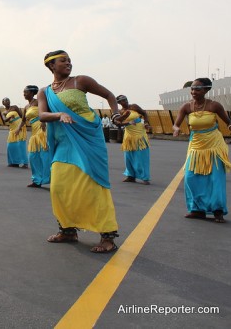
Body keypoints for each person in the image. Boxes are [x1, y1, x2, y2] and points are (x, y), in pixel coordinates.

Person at [38, 50, 121, 253]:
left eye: (69, 60)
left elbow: (109, 95)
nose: (68, 63)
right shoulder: (44, 91)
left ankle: (107, 236)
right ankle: (67, 230)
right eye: (63, 61)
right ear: (51, 66)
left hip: (88, 138)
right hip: (64, 142)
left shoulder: (80, 81)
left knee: (92, 187)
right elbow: (42, 115)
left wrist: (116, 114)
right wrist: (59, 114)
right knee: (58, 187)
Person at [173, 78, 231, 223]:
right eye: (192, 89)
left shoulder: (214, 106)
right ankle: (197, 210)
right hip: (196, 146)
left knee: (215, 179)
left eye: (198, 89)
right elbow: (176, 124)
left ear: (206, 90)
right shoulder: (186, 107)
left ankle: (218, 211)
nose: (193, 92)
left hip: (214, 146)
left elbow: (229, 122)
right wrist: (176, 130)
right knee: (190, 177)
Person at [115, 95, 151, 185]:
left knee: (141, 156)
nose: (125, 101)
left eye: (126, 99)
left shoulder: (134, 106)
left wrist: (146, 123)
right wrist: (127, 121)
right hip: (129, 136)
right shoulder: (120, 112)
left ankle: (145, 177)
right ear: (119, 103)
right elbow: (117, 123)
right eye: (123, 101)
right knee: (128, 157)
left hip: (139, 134)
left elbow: (144, 113)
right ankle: (130, 176)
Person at [23, 85, 51, 188]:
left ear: (31, 93)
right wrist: (18, 129)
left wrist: (43, 121)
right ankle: (36, 180)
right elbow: (23, 120)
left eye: (25, 92)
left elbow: (46, 111)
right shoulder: (26, 107)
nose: (24, 94)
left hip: (41, 130)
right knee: (33, 157)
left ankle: (47, 178)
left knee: (44, 155)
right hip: (34, 133)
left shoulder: (38, 102)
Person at [2, 97, 28, 168]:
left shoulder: (15, 107)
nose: (8, 101)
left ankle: (25, 163)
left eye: (8, 100)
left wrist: (22, 125)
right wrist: (10, 117)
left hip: (19, 127)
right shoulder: (4, 112)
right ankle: (14, 162)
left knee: (20, 145)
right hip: (12, 129)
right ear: (3, 103)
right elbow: (4, 120)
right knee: (11, 146)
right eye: (6, 100)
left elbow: (22, 116)